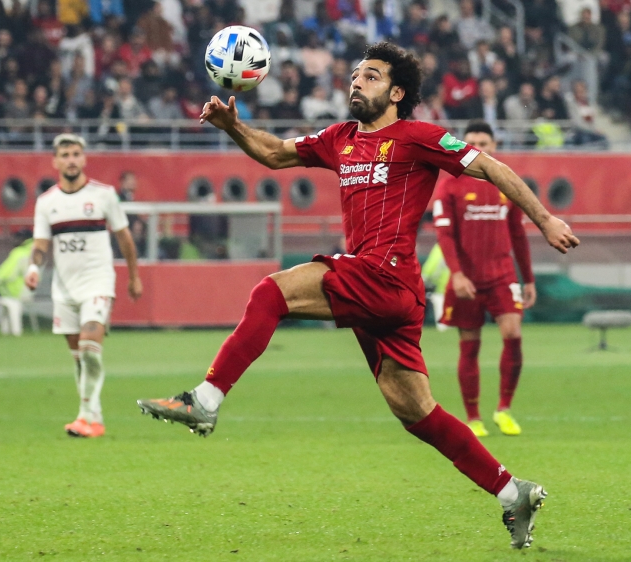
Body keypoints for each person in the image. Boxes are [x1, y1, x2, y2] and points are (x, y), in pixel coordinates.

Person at [137, 42, 579, 549]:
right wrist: (233, 127)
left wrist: (544, 218)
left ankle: (205, 400)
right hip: (392, 294)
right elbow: (276, 154)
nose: (355, 82)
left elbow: (493, 169)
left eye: (369, 76)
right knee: (416, 412)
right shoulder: (339, 138)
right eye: (354, 75)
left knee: (271, 293)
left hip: (385, 274)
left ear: (396, 93)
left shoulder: (421, 138)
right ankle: (511, 492)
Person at [25, 134, 144, 438]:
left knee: (90, 349)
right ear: (55, 161)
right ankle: (96, 418)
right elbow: (41, 243)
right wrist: (34, 268)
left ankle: (83, 416)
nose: (71, 159)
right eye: (65, 154)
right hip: (64, 290)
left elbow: (124, 237)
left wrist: (133, 276)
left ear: (84, 158)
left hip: (98, 283)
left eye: (76, 153)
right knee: (79, 357)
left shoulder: (104, 195)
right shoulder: (46, 202)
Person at [432, 121, 535, 438]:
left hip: (502, 274)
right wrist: (457, 274)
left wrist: (527, 279)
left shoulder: (507, 181)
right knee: (469, 347)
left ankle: (504, 409)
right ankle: (473, 418)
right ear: (464, 146)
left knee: (513, 334)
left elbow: (518, 233)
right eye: (472, 142)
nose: (478, 148)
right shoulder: (450, 184)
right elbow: (444, 234)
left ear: (494, 146)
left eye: (484, 143)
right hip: (467, 280)